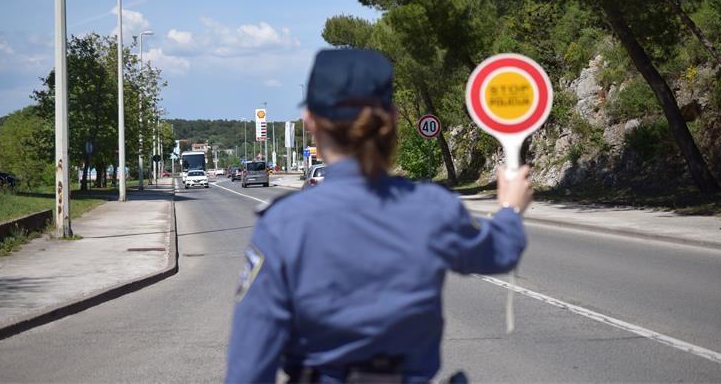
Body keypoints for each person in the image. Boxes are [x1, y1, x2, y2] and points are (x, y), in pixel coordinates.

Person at [226, 48, 531, 383]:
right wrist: (510, 208)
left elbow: (249, 368)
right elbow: (499, 252)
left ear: (310, 122)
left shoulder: (284, 224)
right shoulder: (431, 207)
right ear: (392, 119)